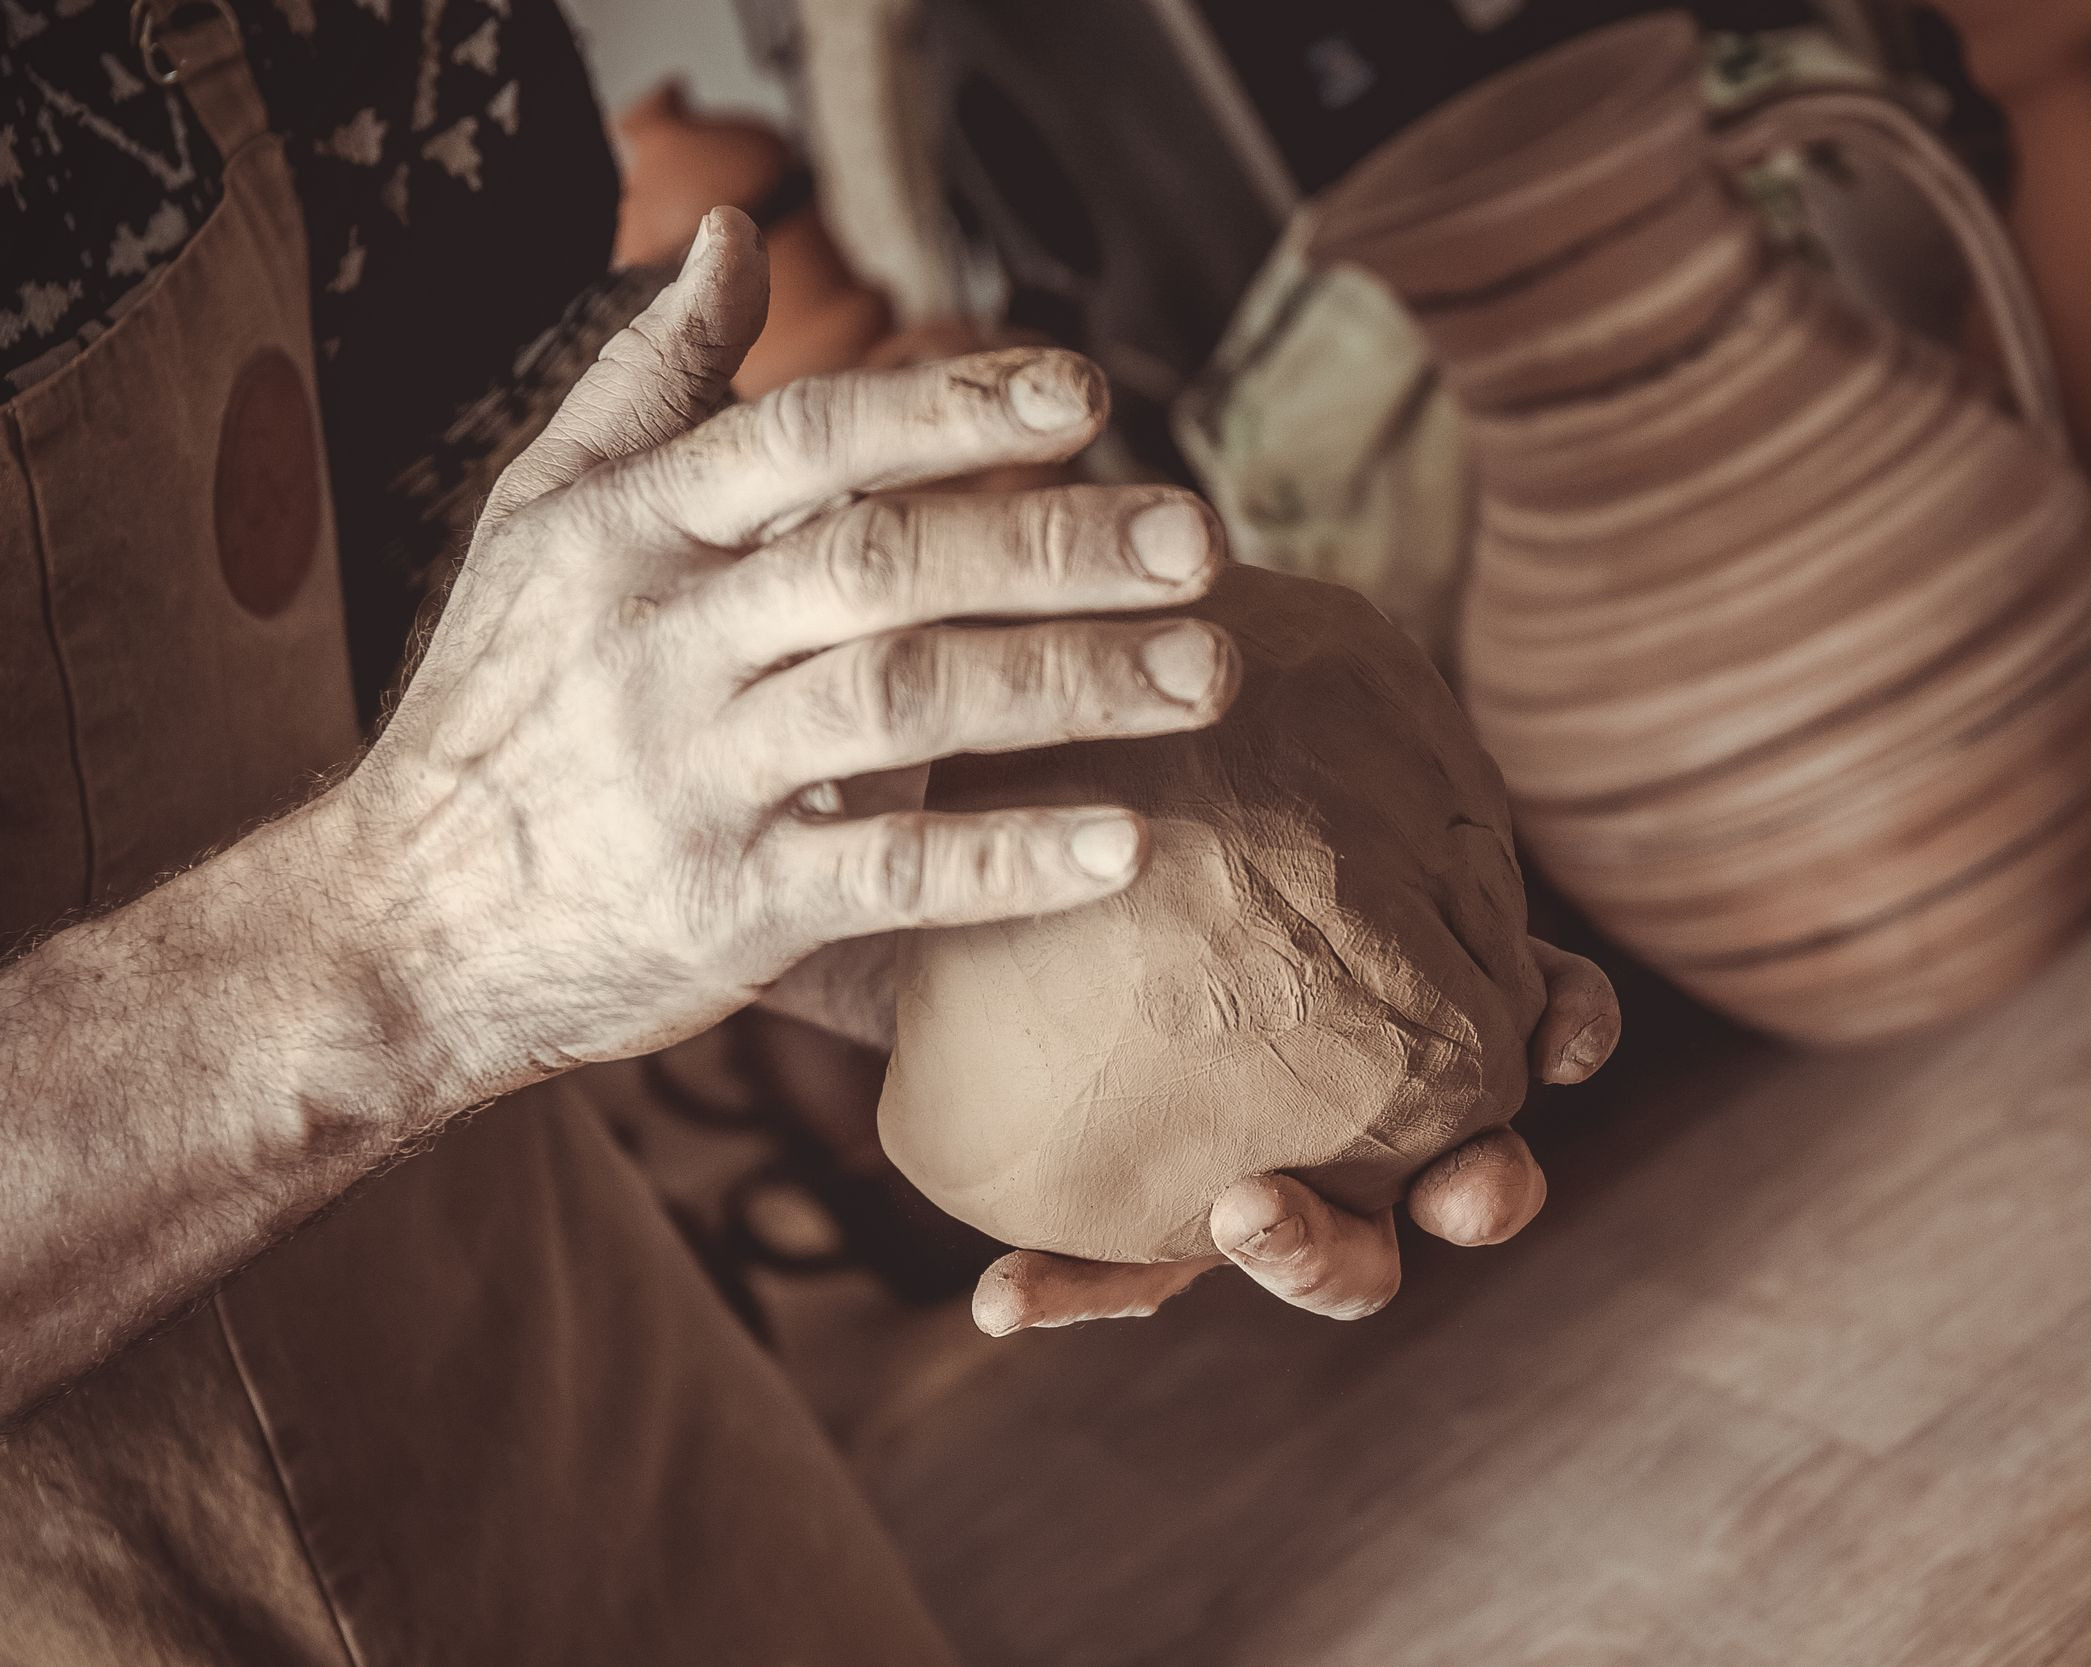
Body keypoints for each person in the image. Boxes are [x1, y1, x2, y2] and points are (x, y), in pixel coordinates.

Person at [0, 2, 1622, 1661]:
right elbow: (423, 921)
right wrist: (401, 942)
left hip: (527, 1348)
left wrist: (839, 833)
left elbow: (438, 474)